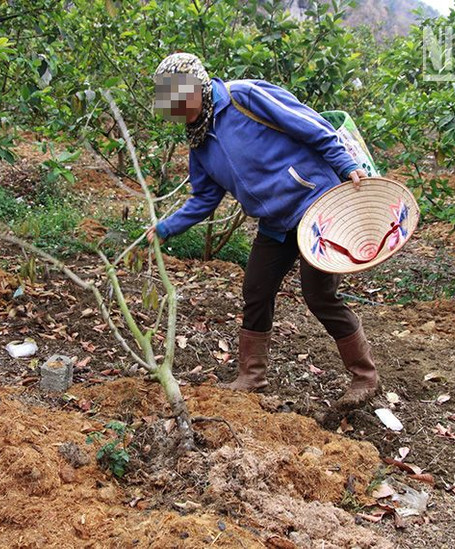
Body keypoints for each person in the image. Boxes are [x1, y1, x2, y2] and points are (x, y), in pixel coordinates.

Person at [147, 52, 378, 412]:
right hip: (275, 223)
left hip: (315, 205)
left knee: (318, 294)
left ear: (198, 87)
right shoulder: (199, 139)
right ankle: (252, 376)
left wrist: (346, 165)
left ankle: (364, 375)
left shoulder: (247, 97)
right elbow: (204, 198)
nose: (175, 106)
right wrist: (165, 228)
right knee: (255, 289)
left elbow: (311, 125)